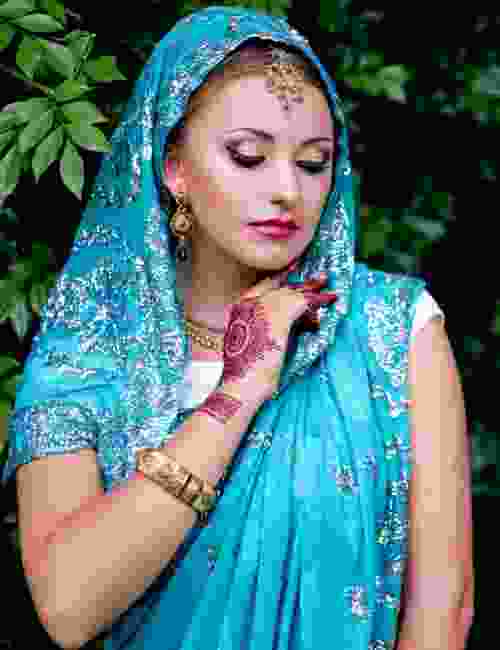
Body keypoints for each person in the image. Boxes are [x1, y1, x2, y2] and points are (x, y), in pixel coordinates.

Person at [2, 6, 473, 650]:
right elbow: (68, 607)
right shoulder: (89, 348)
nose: (287, 190)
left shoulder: (393, 328)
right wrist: (239, 389)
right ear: (174, 166)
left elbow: (442, 613)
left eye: (314, 163)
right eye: (248, 156)